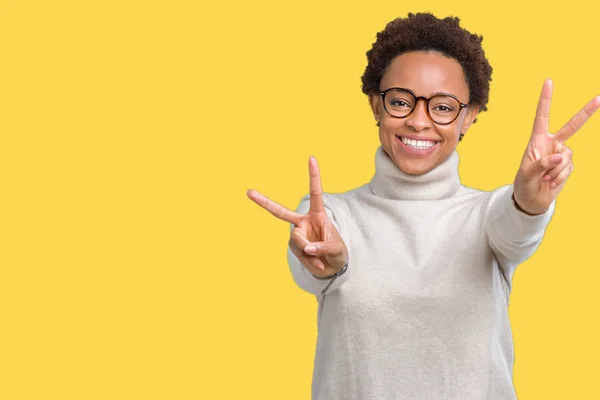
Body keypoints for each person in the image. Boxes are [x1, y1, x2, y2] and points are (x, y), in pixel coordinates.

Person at [246, 12, 599, 400]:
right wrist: (326, 264)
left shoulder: (490, 214)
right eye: (400, 101)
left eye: (443, 107)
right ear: (375, 106)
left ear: (469, 116)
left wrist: (529, 203)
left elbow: (516, 231)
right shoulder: (331, 217)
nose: (418, 121)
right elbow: (309, 270)